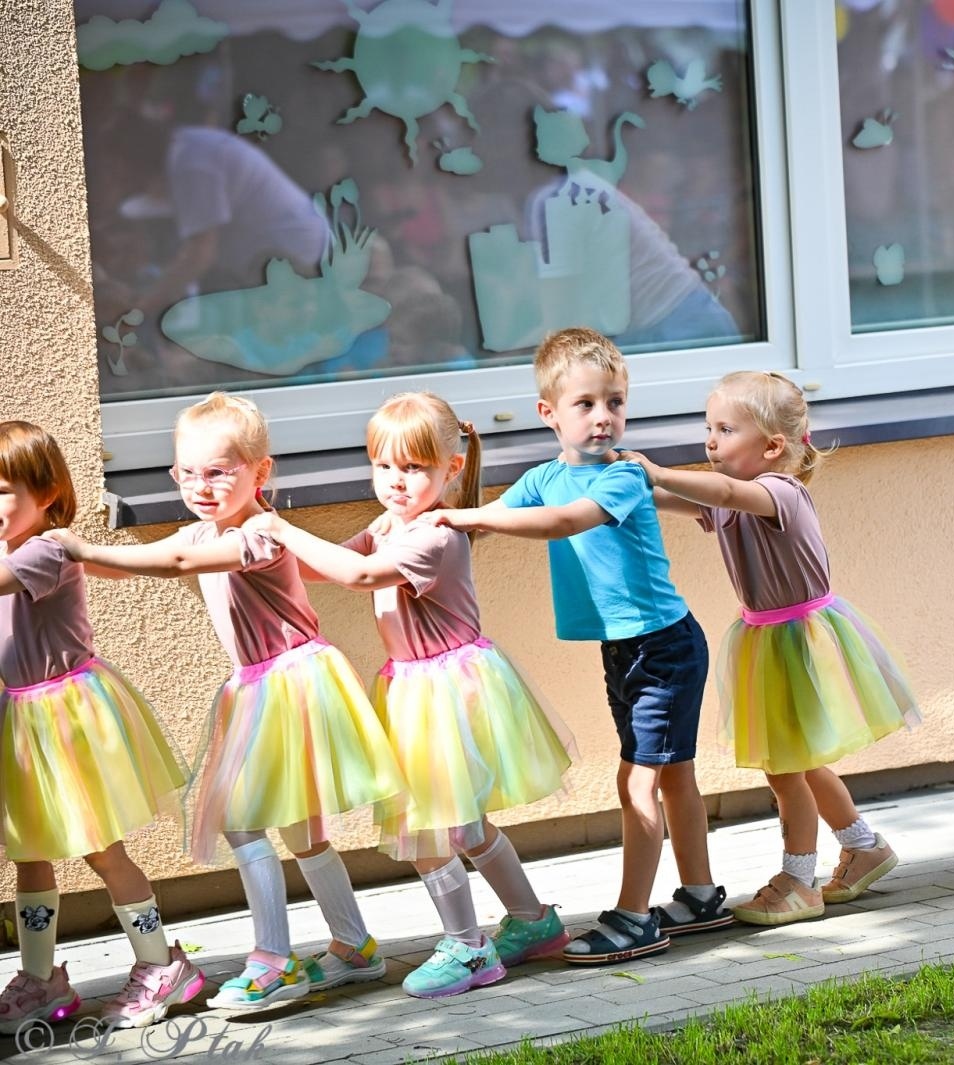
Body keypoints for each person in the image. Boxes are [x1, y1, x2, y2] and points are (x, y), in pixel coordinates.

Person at [47, 393, 404, 1011]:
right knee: (300, 829)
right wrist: (52, 558)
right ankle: (355, 947)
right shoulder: (205, 529)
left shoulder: (261, 534)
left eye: (218, 471)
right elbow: (137, 568)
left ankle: (273, 960)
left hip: (290, 685)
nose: (200, 485)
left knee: (242, 823)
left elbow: (176, 560)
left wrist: (82, 549)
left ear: (260, 473)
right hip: (260, 688)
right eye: (187, 473)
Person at [245, 394, 575, 999]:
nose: (397, 481)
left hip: (444, 694)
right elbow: (332, 565)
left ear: (451, 469)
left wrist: (284, 527)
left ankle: (470, 948)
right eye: (384, 466)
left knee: (426, 829)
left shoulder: (436, 534)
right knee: (466, 825)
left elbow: (361, 577)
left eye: (415, 468)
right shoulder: (387, 525)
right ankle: (532, 923)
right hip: (418, 688)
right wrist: (272, 544)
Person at [425, 328, 730, 964]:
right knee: (672, 773)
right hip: (624, 650)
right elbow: (500, 521)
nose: (603, 417)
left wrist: (468, 516)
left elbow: (564, 522)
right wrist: (430, 514)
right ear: (549, 414)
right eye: (585, 404)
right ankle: (699, 896)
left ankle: (633, 917)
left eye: (614, 402)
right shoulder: (544, 477)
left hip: (663, 646)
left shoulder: (617, 475)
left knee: (639, 782)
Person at [621, 372, 918, 925]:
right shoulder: (729, 495)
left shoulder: (778, 492)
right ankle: (863, 845)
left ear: (773, 446)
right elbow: (684, 499)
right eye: (708, 427)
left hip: (800, 638)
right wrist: (629, 486)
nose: (710, 440)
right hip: (766, 637)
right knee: (798, 762)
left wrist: (658, 471)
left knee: (785, 768)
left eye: (726, 429)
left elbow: (726, 492)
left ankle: (798, 881)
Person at [0, 422, 197, 1032]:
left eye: (0, 489)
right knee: (30, 856)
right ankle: (40, 979)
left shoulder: (49, 548)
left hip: (63, 722)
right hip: (18, 721)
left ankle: (162, 962)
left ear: (49, 493)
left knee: (100, 849)